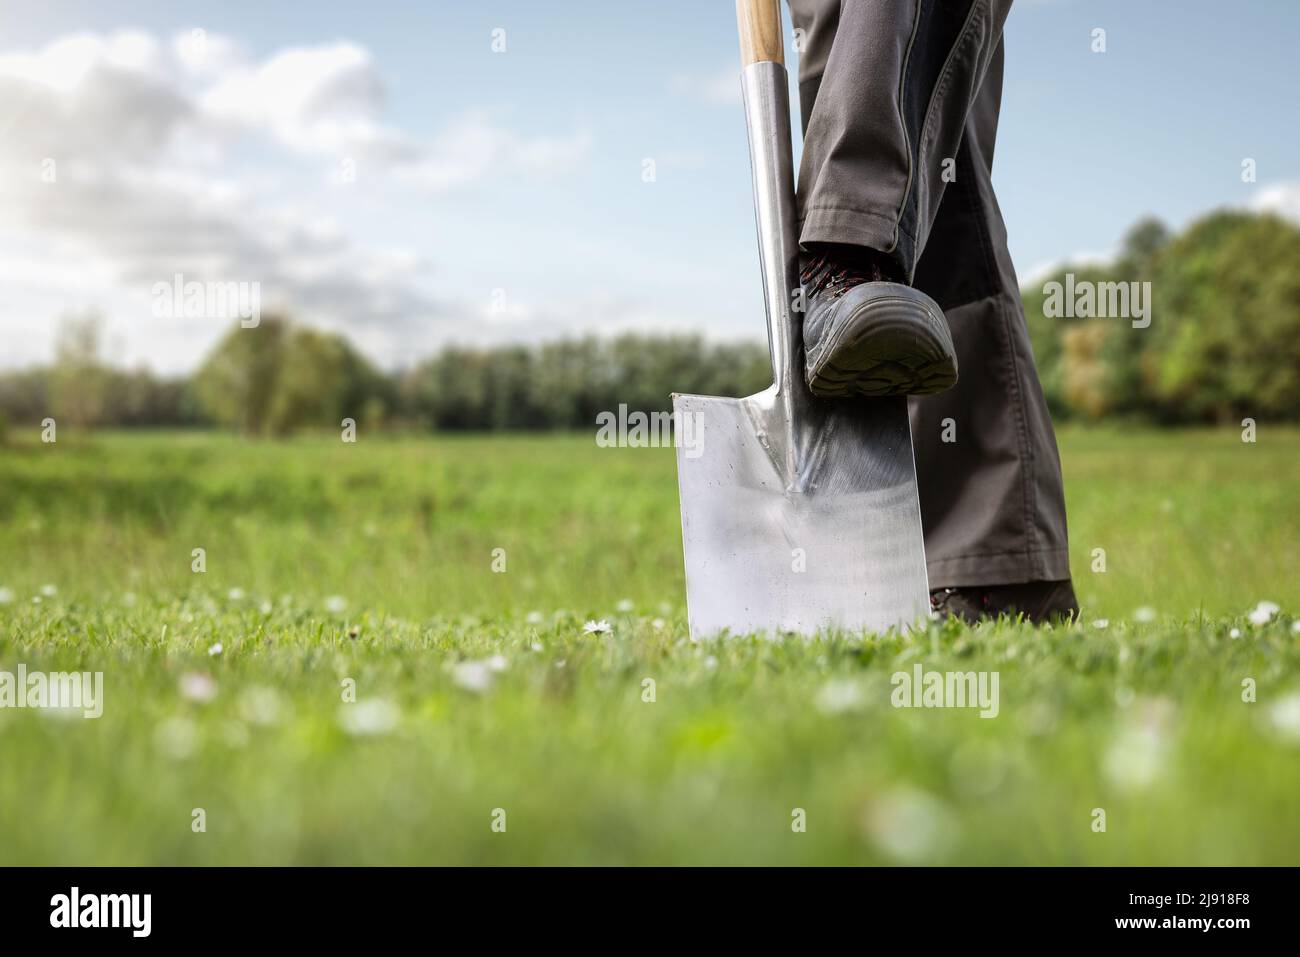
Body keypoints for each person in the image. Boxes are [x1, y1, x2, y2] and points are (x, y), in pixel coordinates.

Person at [786, 0, 1078, 623]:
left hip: (846, 245)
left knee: (899, 41)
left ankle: (846, 247)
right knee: (916, 108)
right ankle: (993, 563)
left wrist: (849, 228)